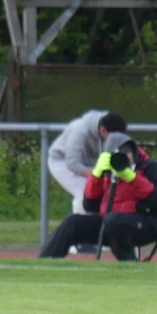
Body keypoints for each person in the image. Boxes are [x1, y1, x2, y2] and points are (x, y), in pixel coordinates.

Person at [40, 137, 157, 260]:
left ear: (134, 153)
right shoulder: (108, 171)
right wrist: (96, 175)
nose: (124, 158)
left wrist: (132, 178)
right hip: (110, 223)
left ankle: (129, 263)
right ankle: (44, 262)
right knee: (72, 222)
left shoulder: (150, 168)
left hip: (148, 223)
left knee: (114, 221)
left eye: (126, 153)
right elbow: (89, 205)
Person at [41, 110, 127, 256]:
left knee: (107, 192)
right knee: (84, 192)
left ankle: (102, 236)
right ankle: (78, 243)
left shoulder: (110, 125)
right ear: (103, 131)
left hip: (89, 162)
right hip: (61, 161)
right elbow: (73, 164)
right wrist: (97, 176)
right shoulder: (79, 131)